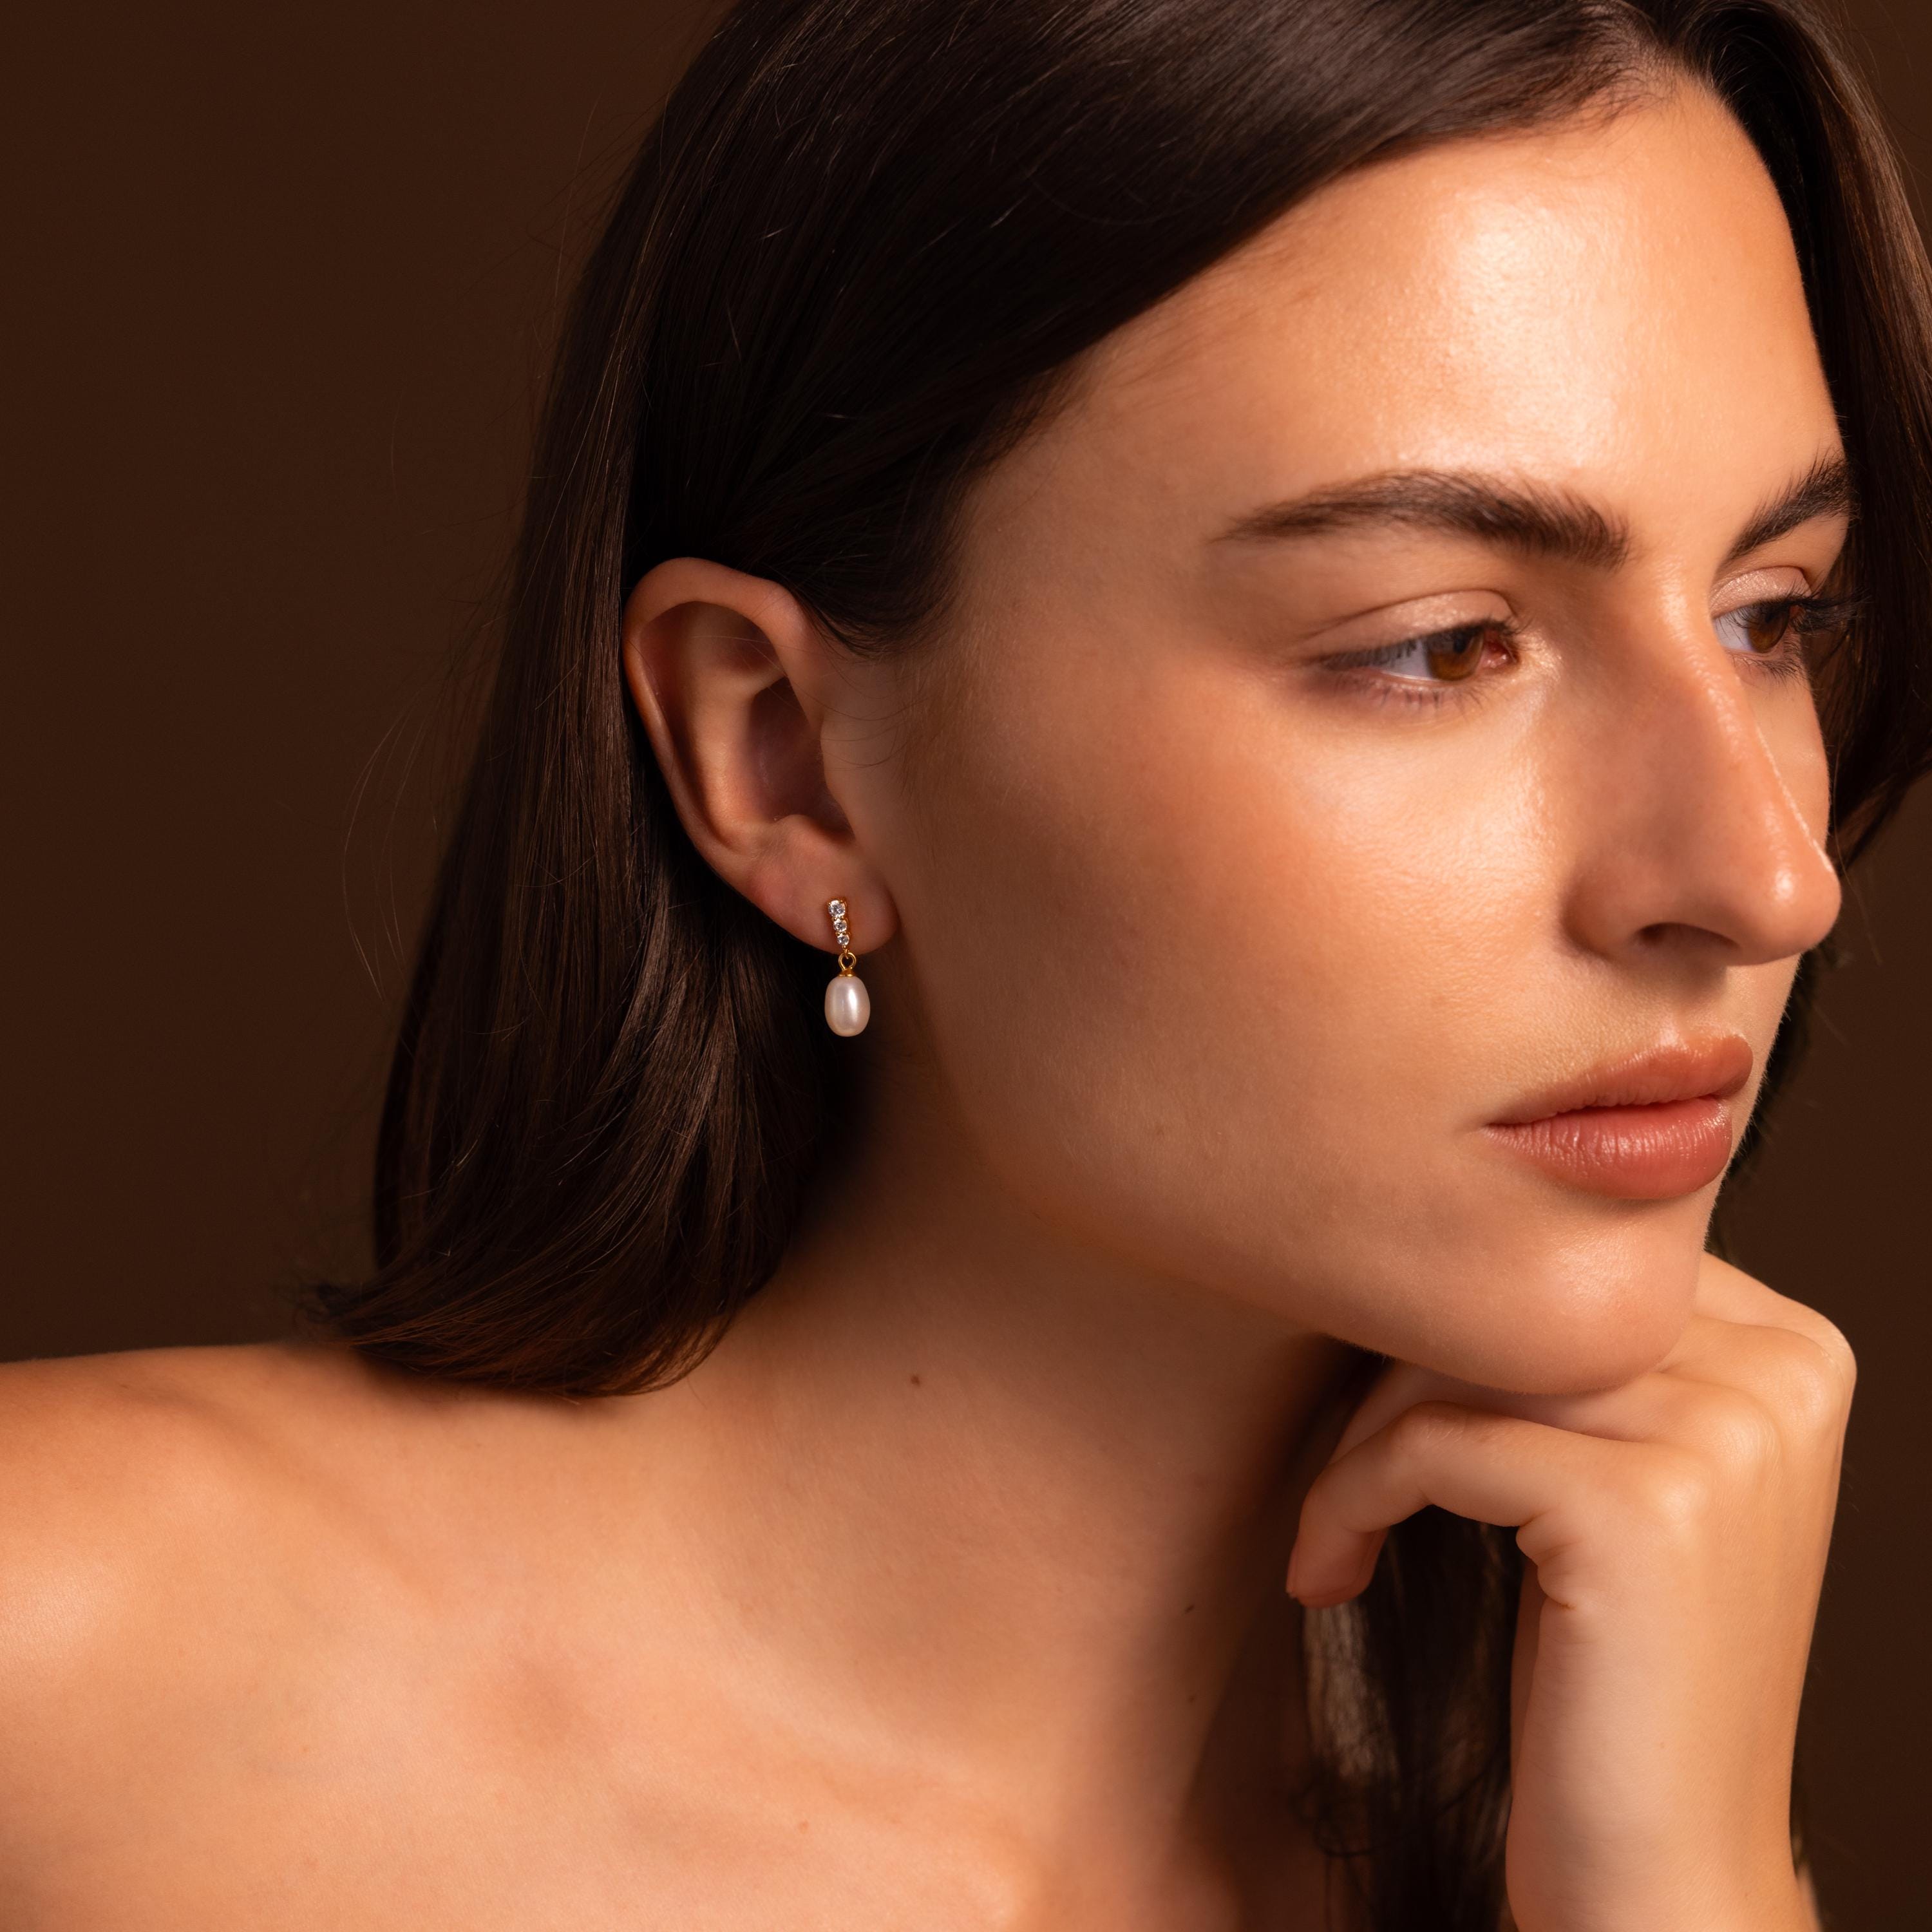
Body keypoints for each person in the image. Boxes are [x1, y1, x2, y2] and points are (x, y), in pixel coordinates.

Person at [3, 1, 1929, 1926]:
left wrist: (1687, 1891)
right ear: (782, 756)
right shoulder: (54, 1667)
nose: (1764, 878)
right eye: (1438, 645)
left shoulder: (1576, 1859)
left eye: (1771, 617)